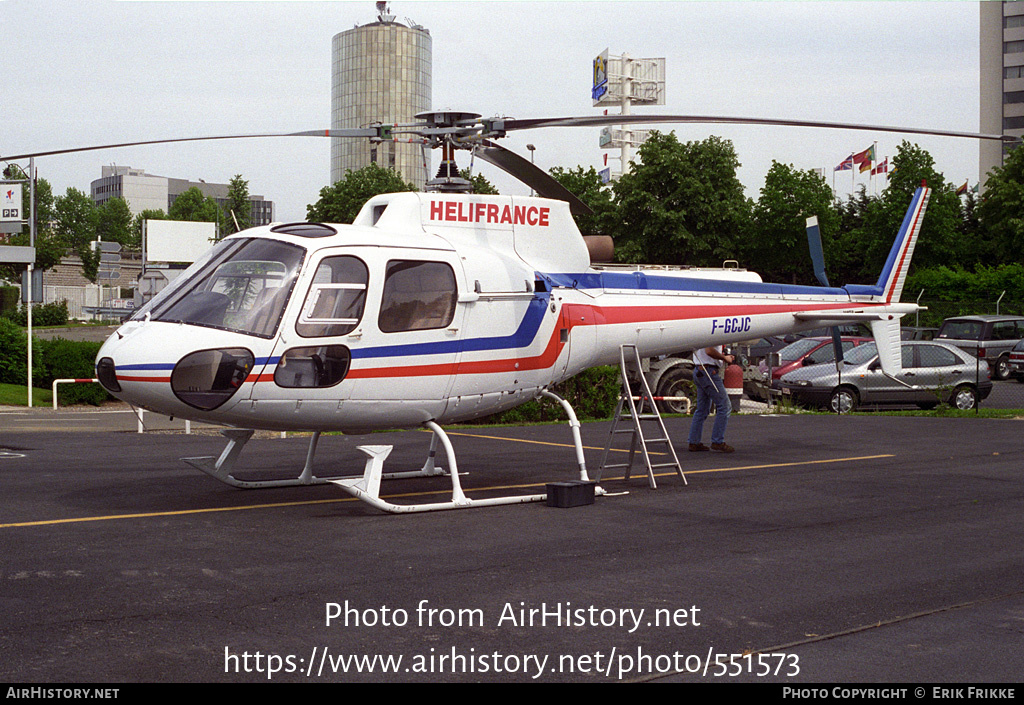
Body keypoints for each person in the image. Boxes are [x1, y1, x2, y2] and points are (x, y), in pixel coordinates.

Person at [687, 345, 735, 453]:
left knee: (702, 409)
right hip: (709, 371)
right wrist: (724, 358)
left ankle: (694, 442)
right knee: (724, 406)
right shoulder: (714, 332)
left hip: (700, 369)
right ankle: (717, 441)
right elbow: (709, 350)